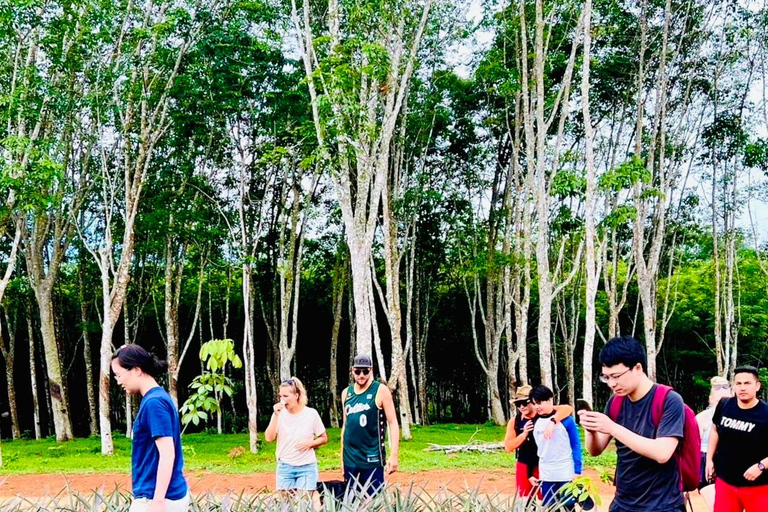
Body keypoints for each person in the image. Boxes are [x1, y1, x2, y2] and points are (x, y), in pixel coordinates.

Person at [579, 335, 686, 512]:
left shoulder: (669, 400)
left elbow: (662, 453)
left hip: (662, 503)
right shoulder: (615, 403)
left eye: (616, 376)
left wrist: (613, 427)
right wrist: (591, 430)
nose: (612, 384)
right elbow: (595, 450)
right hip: (624, 502)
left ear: (637, 368)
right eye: (606, 377)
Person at [111, 344, 189, 512]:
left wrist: (158, 501)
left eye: (119, 375)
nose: (118, 381)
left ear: (137, 370)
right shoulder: (158, 398)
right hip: (159, 495)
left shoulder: (154, 403)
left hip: (157, 498)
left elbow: (167, 454)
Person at [705, 365, 768, 512]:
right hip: (726, 482)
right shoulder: (724, 405)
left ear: (757, 386)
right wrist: (709, 459)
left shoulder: (765, 414)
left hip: (758, 486)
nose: (742, 388)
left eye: (747, 383)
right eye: (738, 383)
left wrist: (761, 466)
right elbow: (715, 429)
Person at [340, 354, 399, 495]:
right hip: (350, 459)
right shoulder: (346, 393)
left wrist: (394, 455)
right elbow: (345, 426)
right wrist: (342, 459)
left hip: (371, 458)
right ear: (352, 370)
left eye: (365, 371)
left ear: (371, 370)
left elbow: (393, 422)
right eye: (358, 371)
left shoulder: (380, 390)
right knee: (352, 501)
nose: (361, 375)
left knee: (374, 501)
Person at [503, 384, 574, 500]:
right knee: (525, 500)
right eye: (517, 404)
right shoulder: (515, 421)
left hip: (545, 464)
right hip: (524, 464)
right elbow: (508, 447)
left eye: (525, 403)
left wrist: (552, 421)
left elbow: (567, 408)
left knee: (549, 499)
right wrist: (524, 434)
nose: (521, 407)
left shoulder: (543, 415)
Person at [530, 385, 594, 511]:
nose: (537, 406)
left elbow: (576, 445)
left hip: (566, 470)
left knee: (568, 505)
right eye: (534, 403)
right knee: (550, 506)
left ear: (549, 400)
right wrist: (531, 472)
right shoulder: (534, 422)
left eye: (539, 402)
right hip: (546, 472)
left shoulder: (566, 420)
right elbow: (534, 449)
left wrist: (577, 469)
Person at [264, 376, 328, 495]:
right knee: (286, 505)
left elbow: (324, 438)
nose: (282, 400)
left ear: (296, 396)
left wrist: (310, 444)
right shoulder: (279, 414)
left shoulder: (311, 414)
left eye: (286, 396)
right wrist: (276, 416)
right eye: (280, 396)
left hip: (307, 467)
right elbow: (269, 438)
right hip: (285, 467)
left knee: (305, 504)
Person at [695, 375, 732, 511]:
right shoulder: (702, 418)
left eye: (726, 400)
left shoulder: (740, 417)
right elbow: (692, 447)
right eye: (719, 401)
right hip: (707, 465)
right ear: (711, 399)